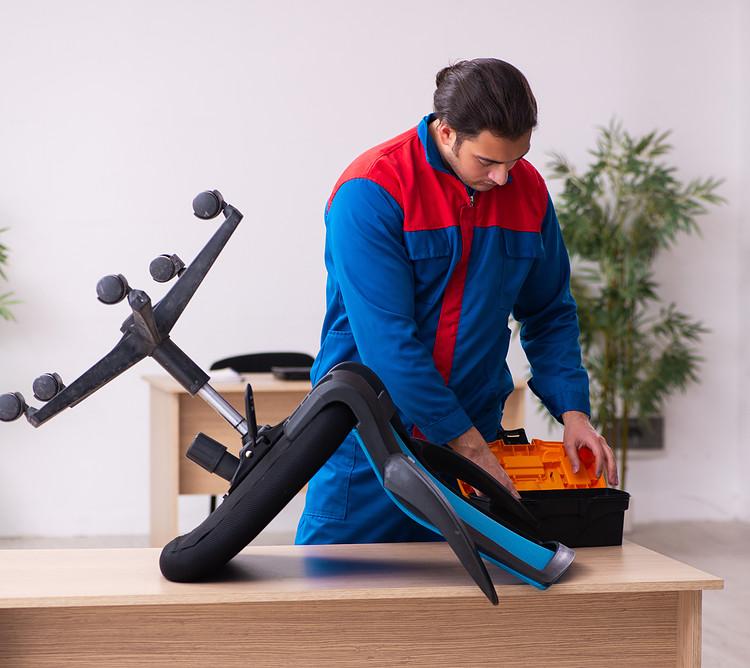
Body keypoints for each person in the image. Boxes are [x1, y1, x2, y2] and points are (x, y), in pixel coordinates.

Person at [295, 58, 618, 545]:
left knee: (464, 614)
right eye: (487, 162)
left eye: (515, 159)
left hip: (475, 440)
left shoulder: (526, 190)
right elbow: (388, 342)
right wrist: (463, 446)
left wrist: (574, 413)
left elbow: (549, 312)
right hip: (371, 446)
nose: (504, 178)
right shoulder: (373, 191)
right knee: (336, 605)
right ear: (447, 133)